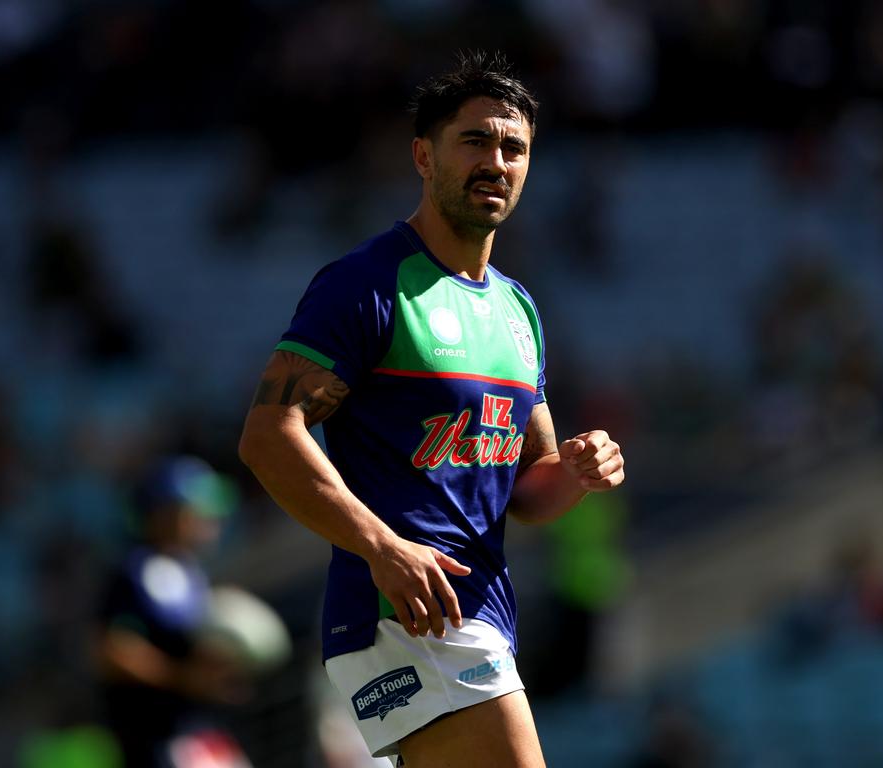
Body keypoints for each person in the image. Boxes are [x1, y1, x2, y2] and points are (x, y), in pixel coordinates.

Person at [239, 51, 625, 768]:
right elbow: (268, 435)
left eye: (514, 148)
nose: (496, 161)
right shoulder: (365, 284)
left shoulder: (518, 310)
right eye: (474, 140)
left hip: (481, 614)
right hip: (406, 614)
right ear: (424, 155)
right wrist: (381, 546)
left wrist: (575, 470)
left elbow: (528, 487)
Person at [95, 455, 250, 768]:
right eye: (197, 507)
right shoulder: (135, 570)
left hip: (199, 732)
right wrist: (184, 678)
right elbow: (112, 650)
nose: (210, 517)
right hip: (159, 738)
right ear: (164, 512)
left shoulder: (187, 570)